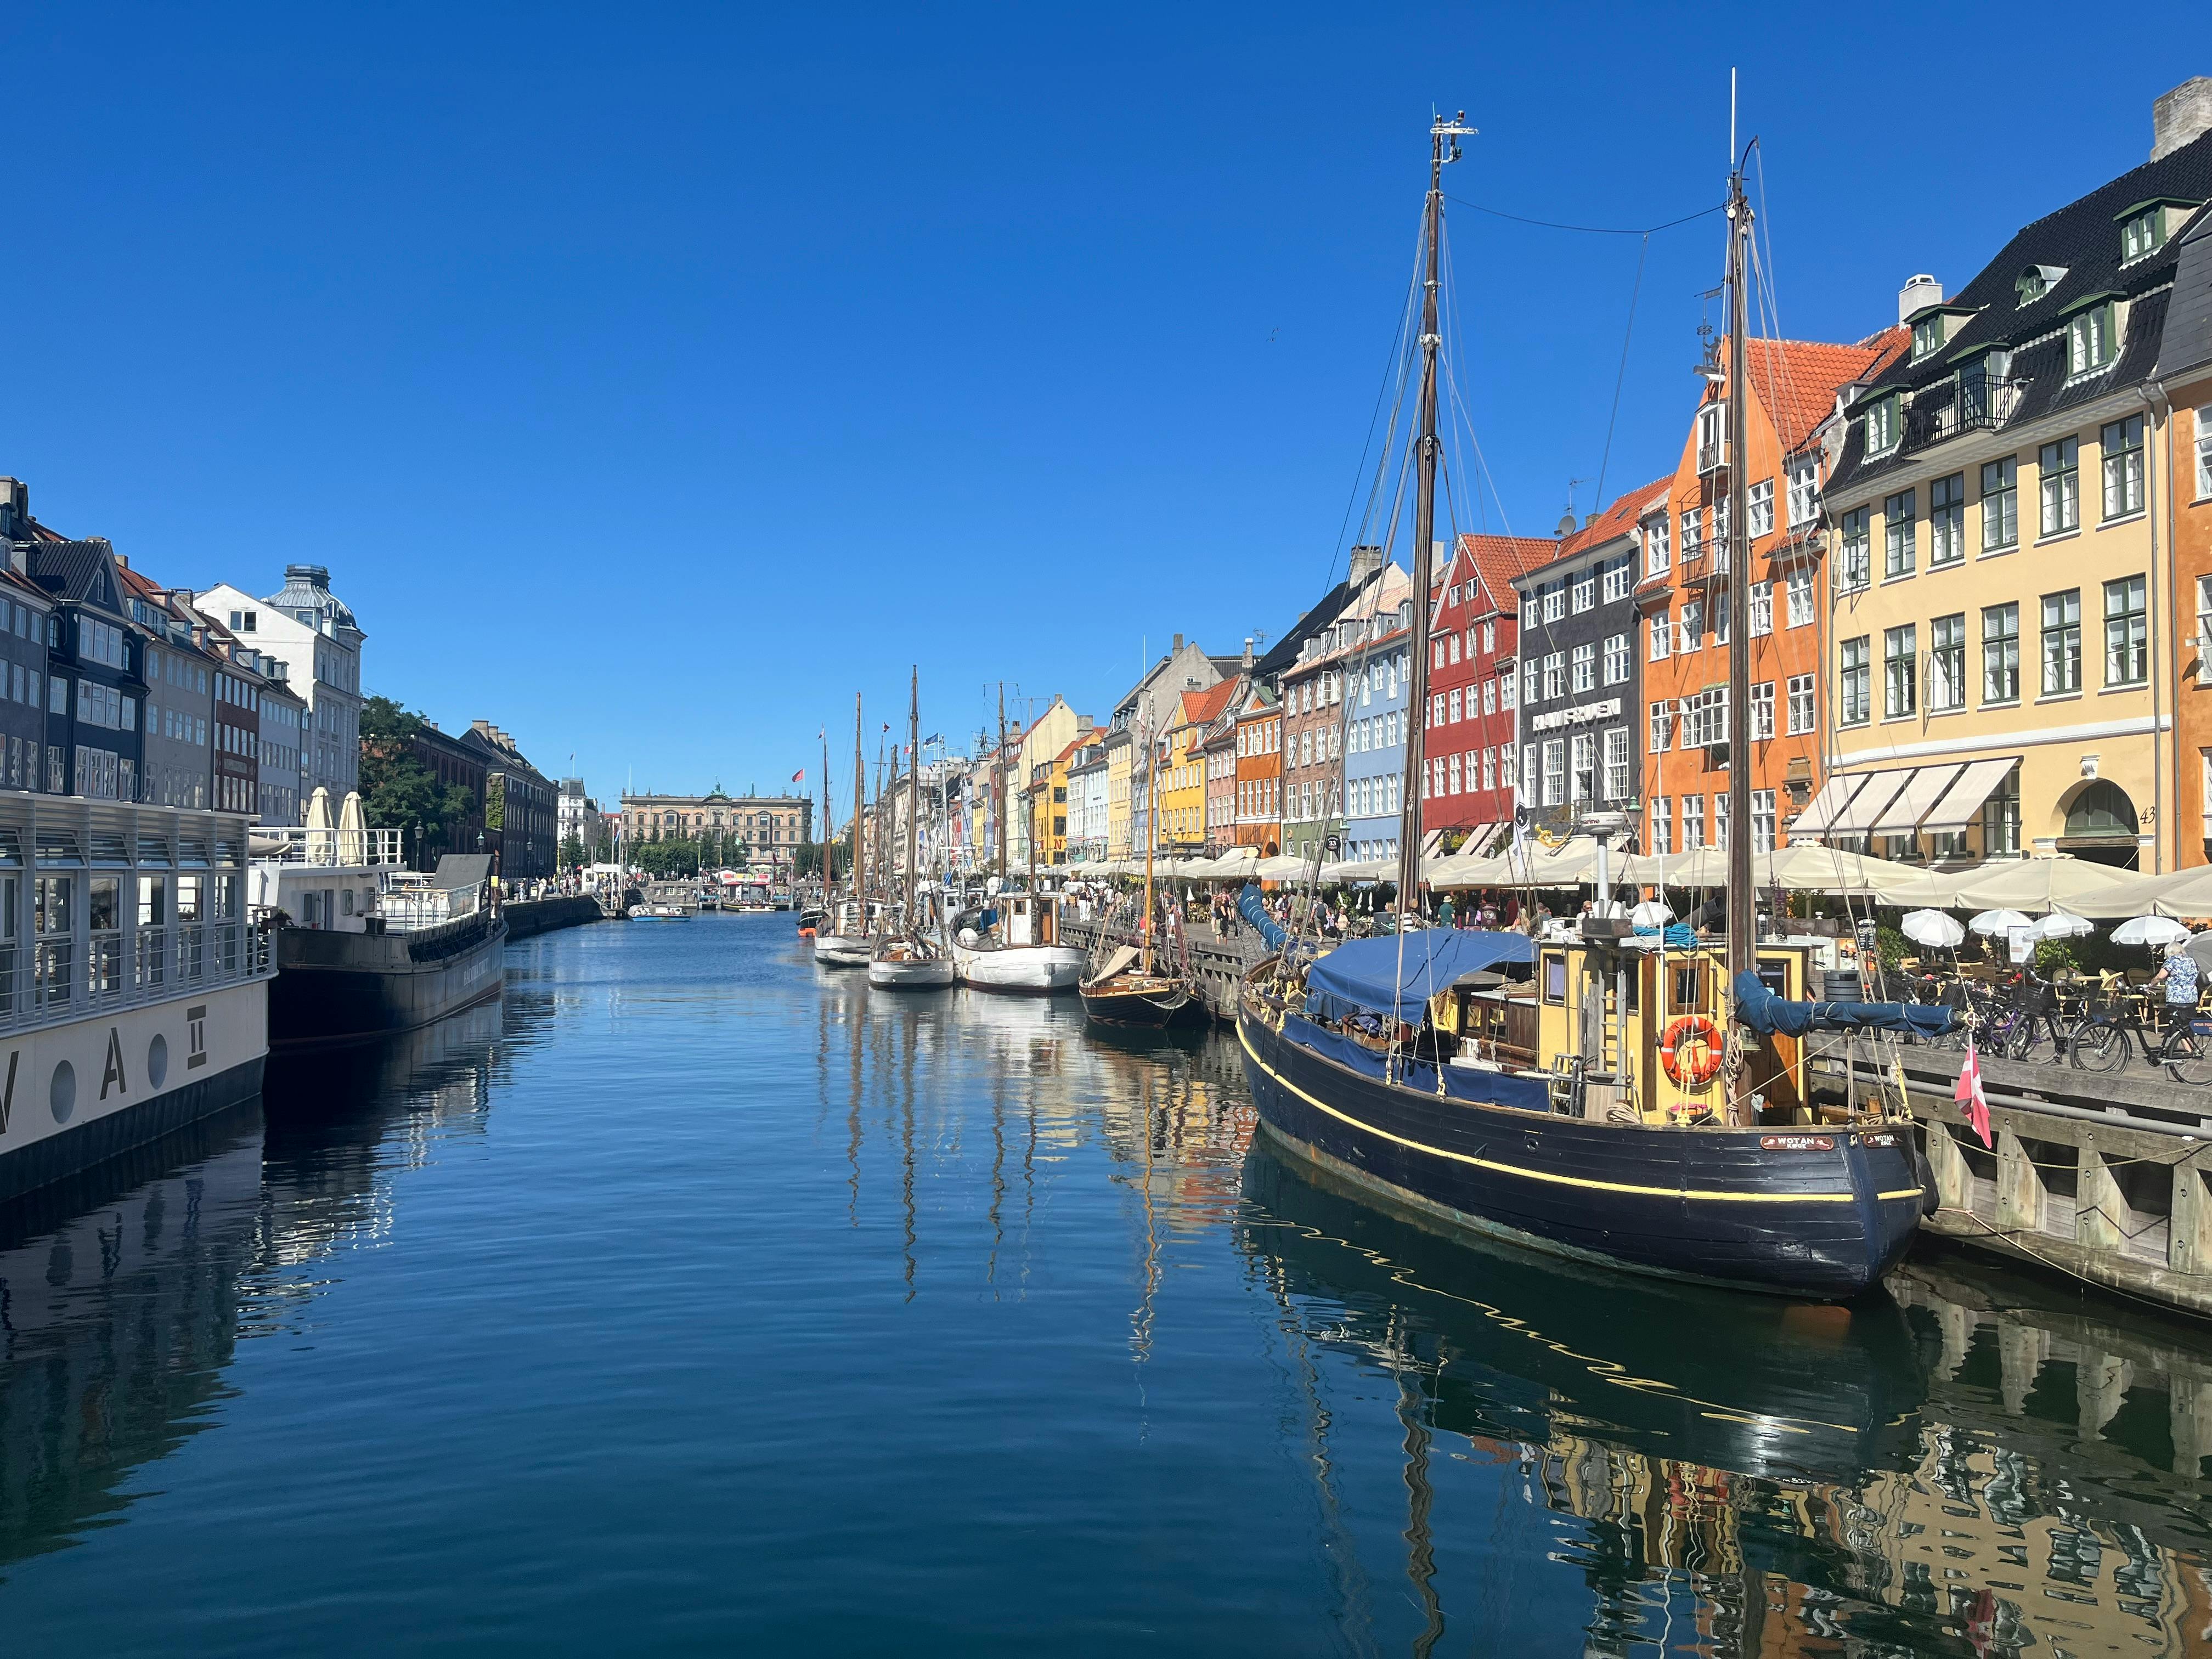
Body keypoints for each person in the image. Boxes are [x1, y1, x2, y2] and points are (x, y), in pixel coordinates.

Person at [2149, 940, 2202, 1038]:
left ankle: (2189, 1050)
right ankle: (2191, 1048)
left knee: (2178, 1026)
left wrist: (2151, 984)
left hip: (2177, 999)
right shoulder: (2191, 960)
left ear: (2169, 952)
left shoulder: (2172, 961)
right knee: (2188, 1025)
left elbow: (2160, 977)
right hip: (2192, 998)